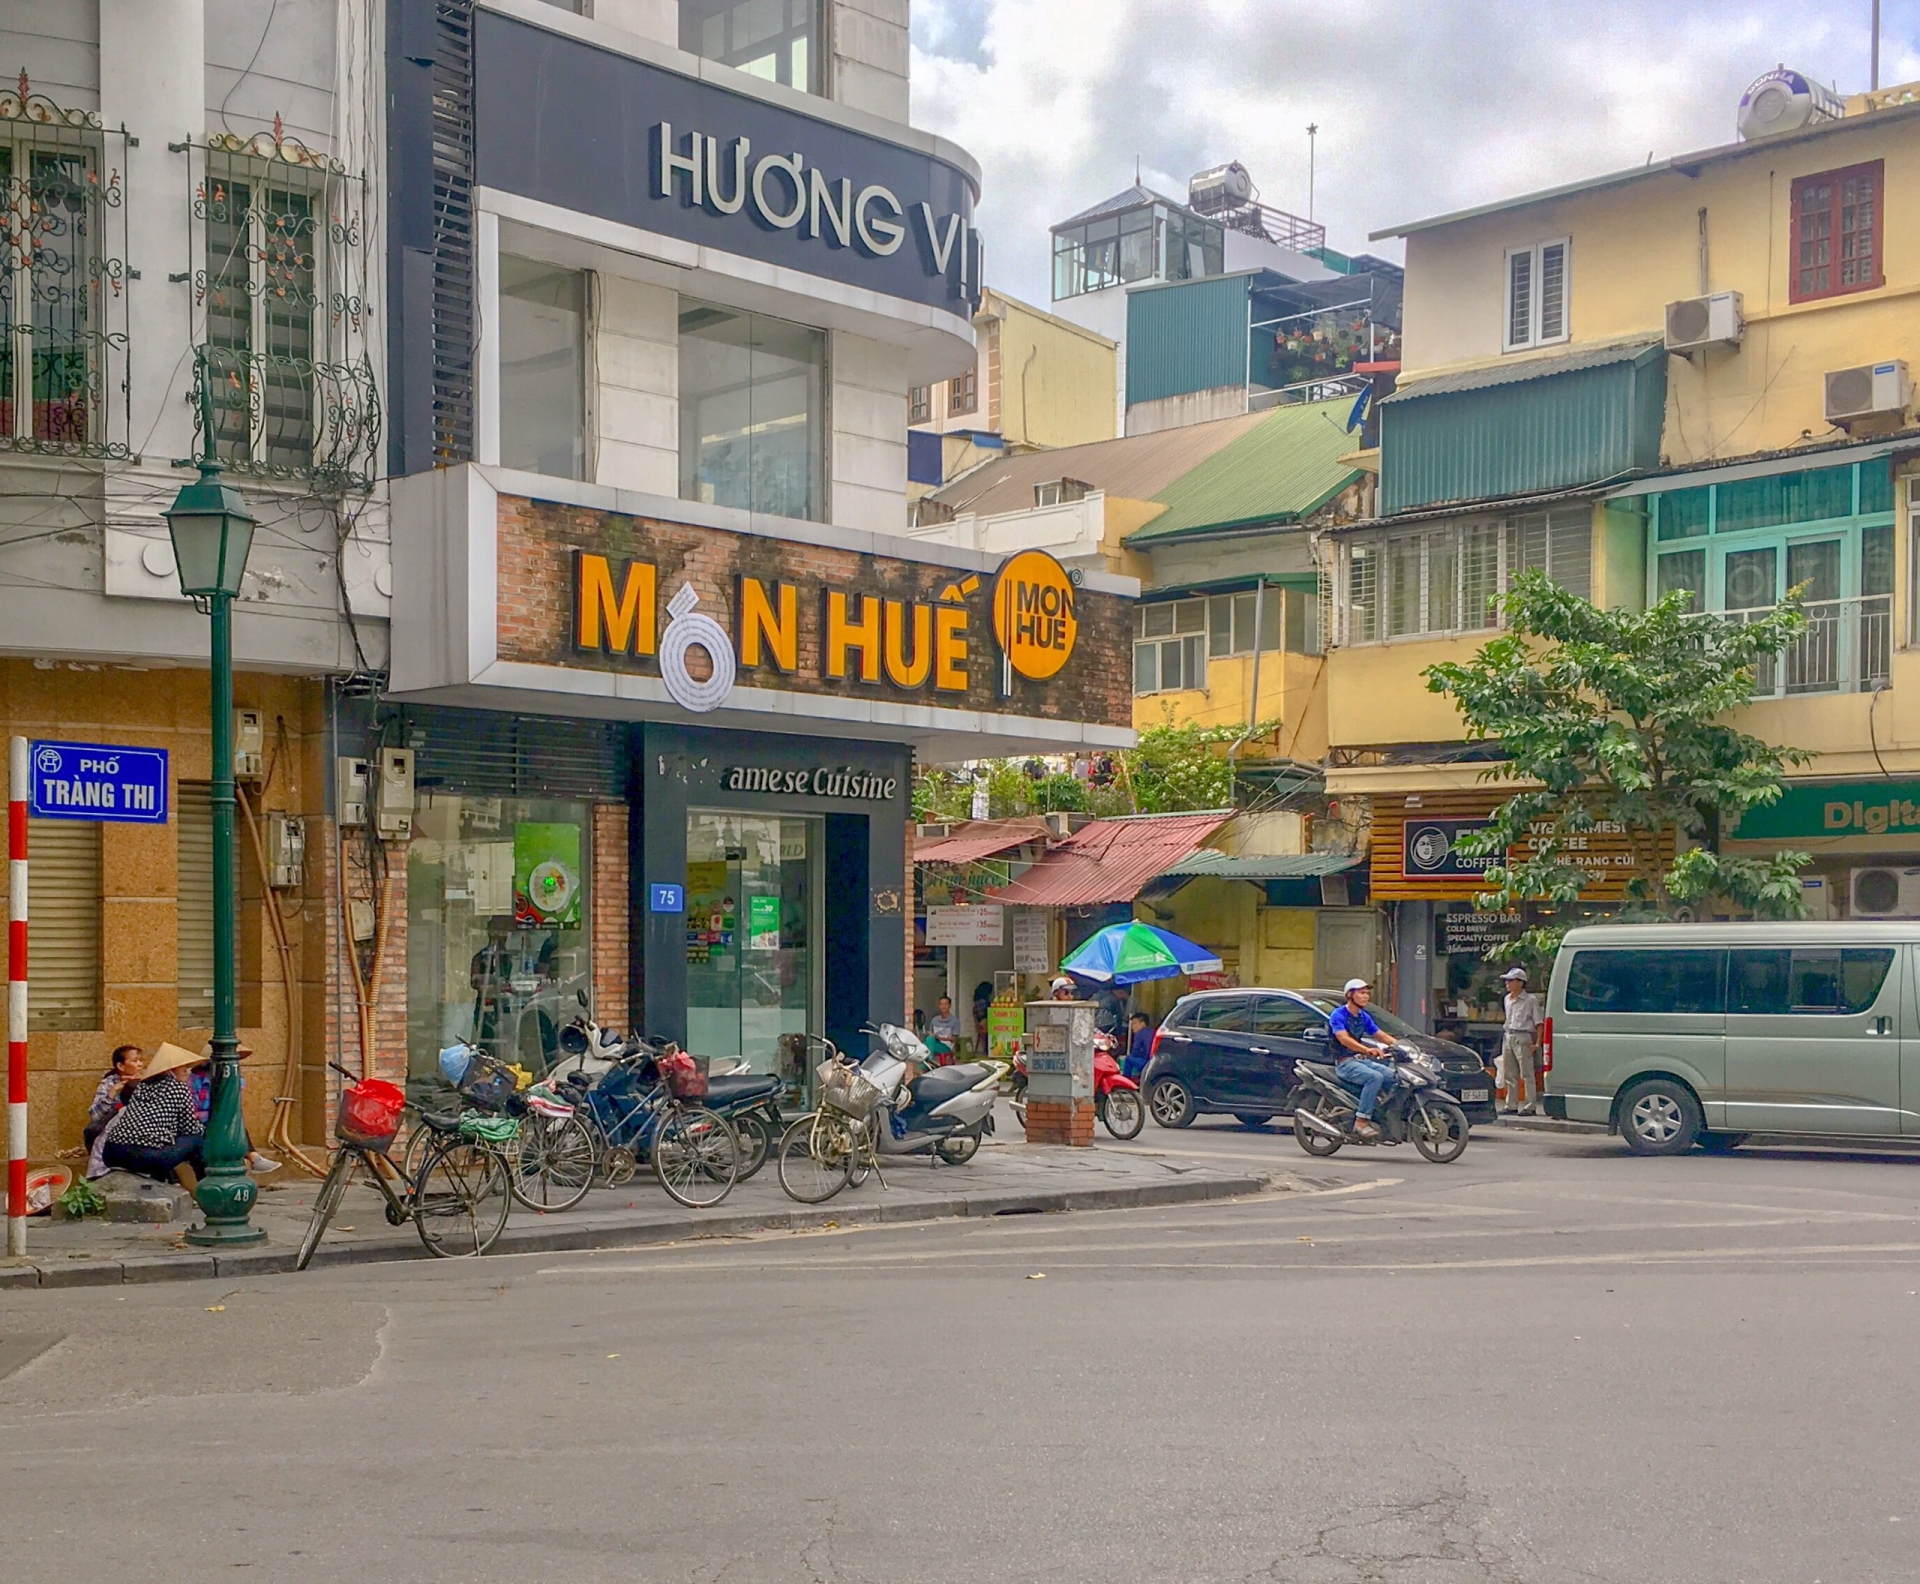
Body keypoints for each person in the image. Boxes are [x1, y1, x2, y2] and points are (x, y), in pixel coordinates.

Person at [100, 1042, 207, 1189]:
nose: (186, 1071)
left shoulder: (142, 1086)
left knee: (165, 1144)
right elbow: (189, 1128)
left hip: (112, 1153)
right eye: (182, 1067)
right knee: (197, 1139)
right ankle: (207, 1187)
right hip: (145, 1157)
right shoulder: (178, 1088)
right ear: (170, 1069)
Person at [189, 1049, 280, 1173]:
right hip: (199, 1123)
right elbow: (191, 1110)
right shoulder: (195, 1080)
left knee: (233, 1124)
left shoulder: (236, 1080)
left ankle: (253, 1158)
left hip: (223, 1121)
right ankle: (254, 1157)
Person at [1327, 978, 1395, 1139]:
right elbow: (1344, 1039)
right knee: (1374, 1077)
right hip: (1345, 1063)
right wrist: (1367, 1049)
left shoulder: (1363, 1016)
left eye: (1367, 993)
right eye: (1362, 993)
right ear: (1350, 995)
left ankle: (1381, 1113)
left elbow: (1380, 1035)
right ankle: (1361, 1120)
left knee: (1395, 1076)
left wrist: (1403, 1047)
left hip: (1361, 1061)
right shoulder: (1338, 1015)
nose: (1366, 996)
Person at [84, 1045, 145, 1179]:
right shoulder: (109, 1083)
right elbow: (95, 1115)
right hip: (111, 1130)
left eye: (141, 1060)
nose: (140, 1064)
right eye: (135, 1061)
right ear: (121, 1066)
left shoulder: (147, 1081)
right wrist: (113, 1092)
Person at [1499, 966, 1543, 1116]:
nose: (1507, 984)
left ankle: (1530, 1105)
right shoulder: (1507, 999)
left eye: (1511, 981)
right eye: (1507, 981)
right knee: (1509, 1073)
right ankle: (1511, 1104)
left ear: (1520, 982)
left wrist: (1537, 1043)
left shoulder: (1530, 1000)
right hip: (1509, 1035)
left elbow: (1539, 1023)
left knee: (1527, 1073)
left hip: (1523, 1036)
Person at [927, 995, 960, 1060]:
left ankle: (928, 1061)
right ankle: (929, 1060)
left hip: (946, 1046)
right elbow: (930, 1033)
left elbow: (954, 1039)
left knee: (927, 1045)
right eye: (941, 1004)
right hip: (934, 1042)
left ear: (950, 1005)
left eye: (946, 1004)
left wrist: (941, 1038)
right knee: (929, 1040)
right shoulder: (934, 1020)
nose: (943, 1006)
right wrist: (932, 1035)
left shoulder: (954, 1021)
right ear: (939, 1006)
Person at [1124, 1012, 1154, 1082]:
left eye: (1134, 1023)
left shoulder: (1140, 1033)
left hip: (1147, 1063)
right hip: (1154, 1061)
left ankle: (1125, 1081)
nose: (1132, 1027)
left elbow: (1136, 1051)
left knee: (1128, 1059)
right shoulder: (1152, 1032)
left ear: (1142, 1023)